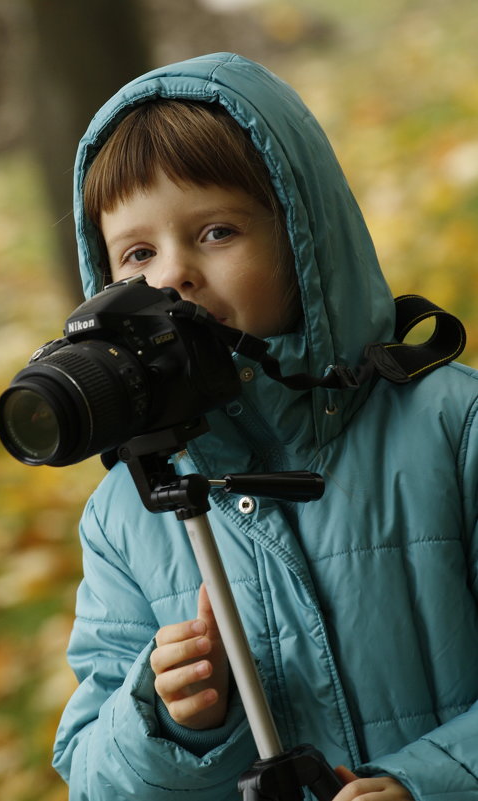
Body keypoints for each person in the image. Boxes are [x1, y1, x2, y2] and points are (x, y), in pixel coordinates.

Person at [52, 53, 478, 800]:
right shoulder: (128, 512)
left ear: (302, 243)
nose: (172, 276)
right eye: (138, 253)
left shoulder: (451, 425)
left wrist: (430, 783)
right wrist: (168, 720)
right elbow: (90, 775)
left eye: (215, 231)